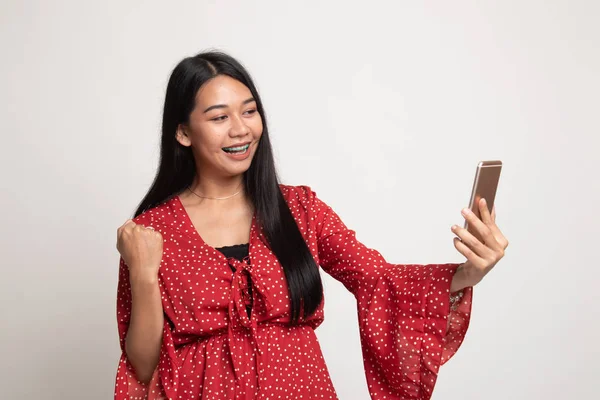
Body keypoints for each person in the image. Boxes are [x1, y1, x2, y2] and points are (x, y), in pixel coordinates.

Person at [114, 51, 508, 400]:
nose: (240, 129)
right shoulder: (150, 232)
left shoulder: (300, 208)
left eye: (249, 111)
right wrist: (145, 274)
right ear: (183, 132)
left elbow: (378, 280)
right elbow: (143, 366)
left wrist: (470, 272)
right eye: (219, 117)